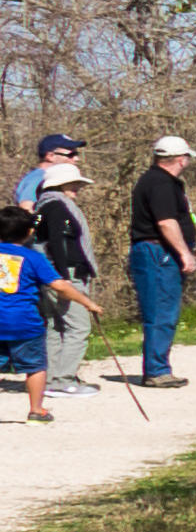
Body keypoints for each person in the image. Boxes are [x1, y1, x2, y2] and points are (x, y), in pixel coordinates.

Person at [125, 133, 196, 386]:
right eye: (186, 157)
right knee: (161, 310)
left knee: (165, 309)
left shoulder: (158, 181)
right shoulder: (160, 184)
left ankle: (158, 367)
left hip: (159, 253)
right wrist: (184, 253)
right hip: (158, 253)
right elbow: (166, 222)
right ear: (180, 159)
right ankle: (156, 371)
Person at [25, 140, 91, 391]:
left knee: (55, 325)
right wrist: (63, 276)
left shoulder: (42, 207)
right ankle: (64, 379)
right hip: (64, 275)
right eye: (74, 184)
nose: (77, 189)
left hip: (49, 275)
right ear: (61, 185)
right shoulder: (57, 206)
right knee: (78, 327)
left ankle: (50, 377)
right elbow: (56, 241)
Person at [0, 199, 53, 421]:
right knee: (35, 365)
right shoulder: (33, 257)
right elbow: (57, 284)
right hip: (24, 322)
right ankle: (36, 410)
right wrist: (87, 303)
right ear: (30, 232)